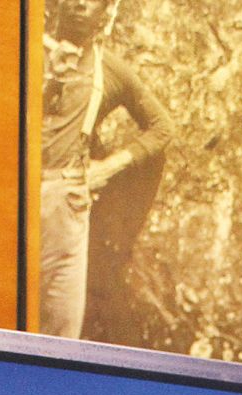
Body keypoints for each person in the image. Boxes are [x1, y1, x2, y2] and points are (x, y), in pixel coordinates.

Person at [40, 0, 173, 339]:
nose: (81, 3)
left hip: (65, 207)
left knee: (61, 333)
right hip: (12, 199)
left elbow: (161, 127)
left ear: (106, 11)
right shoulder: (24, 53)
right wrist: (48, 80)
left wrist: (108, 166)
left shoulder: (110, 70)